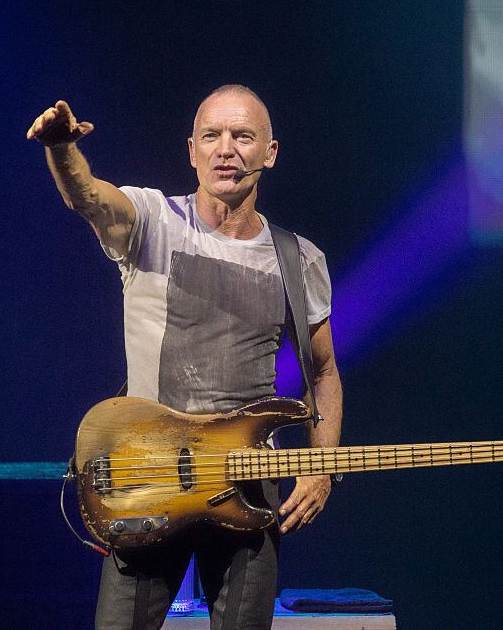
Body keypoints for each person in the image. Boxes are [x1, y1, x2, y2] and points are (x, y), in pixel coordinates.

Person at [27, 85, 343, 629]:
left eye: (243, 136)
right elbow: (89, 198)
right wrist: (61, 149)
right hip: (147, 479)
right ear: (192, 151)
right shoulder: (155, 220)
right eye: (212, 136)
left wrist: (321, 470)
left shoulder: (299, 259)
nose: (227, 149)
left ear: (269, 153)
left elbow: (324, 371)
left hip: (247, 484)